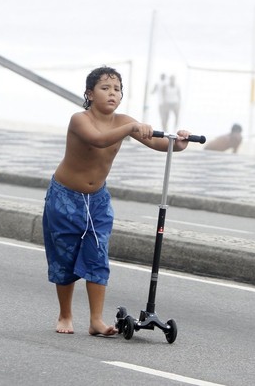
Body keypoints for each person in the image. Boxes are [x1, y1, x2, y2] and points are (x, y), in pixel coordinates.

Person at [43, 66, 193, 336]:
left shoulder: (123, 121)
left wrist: (179, 142)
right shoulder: (80, 119)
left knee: (97, 254)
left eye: (117, 89)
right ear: (90, 94)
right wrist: (131, 128)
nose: (112, 93)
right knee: (64, 257)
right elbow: (98, 140)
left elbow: (160, 144)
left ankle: (96, 321)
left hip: (98, 199)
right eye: (105, 88)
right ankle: (65, 315)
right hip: (65, 197)